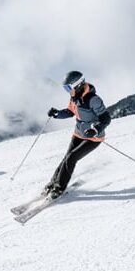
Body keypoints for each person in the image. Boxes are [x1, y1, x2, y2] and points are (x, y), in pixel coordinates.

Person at [45, 70, 111, 199]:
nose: (67, 91)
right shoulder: (74, 98)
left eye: (68, 88)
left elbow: (106, 118)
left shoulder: (93, 99)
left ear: (78, 85)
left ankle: (59, 188)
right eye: (65, 88)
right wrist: (57, 114)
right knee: (67, 158)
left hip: (93, 137)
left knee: (71, 158)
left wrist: (95, 130)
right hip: (78, 134)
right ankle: (52, 183)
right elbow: (70, 112)